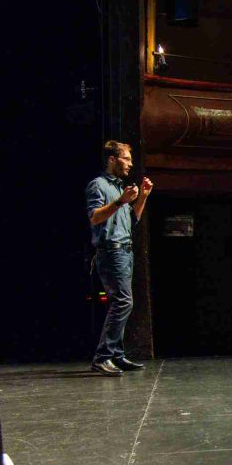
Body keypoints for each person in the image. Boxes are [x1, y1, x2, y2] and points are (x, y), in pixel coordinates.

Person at [86, 141, 154, 375]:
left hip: (125, 251)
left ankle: (116, 355)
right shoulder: (98, 185)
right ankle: (103, 357)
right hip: (111, 251)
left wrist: (142, 197)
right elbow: (94, 217)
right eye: (126, 158)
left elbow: (132, 221)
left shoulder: (120, 188)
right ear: (112, 159)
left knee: (122, 303)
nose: (130, 164)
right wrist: (120, 202)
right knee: (123, 303)